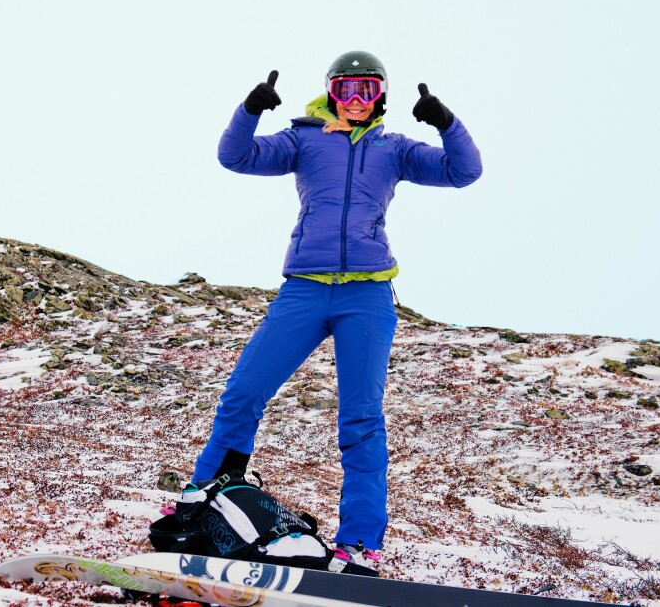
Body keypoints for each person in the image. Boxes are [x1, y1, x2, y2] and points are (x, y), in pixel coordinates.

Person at [192, 50, 482, 571]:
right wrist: (250, 109)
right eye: (345, 89)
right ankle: (201, 501)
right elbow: (235, 157)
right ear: (330, 92)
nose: (354, 100)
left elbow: (464, 172)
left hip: (367, 297)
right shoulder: (303, 140)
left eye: (366, 90)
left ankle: (358, 545)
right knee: (244, 392)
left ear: (381, 98)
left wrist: (447, 123)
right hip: (304, 288)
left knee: (362, 419)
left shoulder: (394, 149)